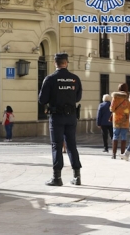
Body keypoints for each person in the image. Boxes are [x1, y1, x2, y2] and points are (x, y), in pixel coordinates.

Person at [38, 53, 82, 186]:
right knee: (71, 145)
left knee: (57, 145)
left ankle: (57, 177)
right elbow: (78, 97)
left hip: (57, 117)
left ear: (54, 63)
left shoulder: (50, 79)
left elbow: (42, 100)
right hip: (71, 117)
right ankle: (77, 176)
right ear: (66, 63)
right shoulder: (75, 79)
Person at [110, 83, 130, 159]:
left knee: (115, 136)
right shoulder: (129, 98)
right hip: (125, 119)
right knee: (124, 136)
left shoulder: (115, 97)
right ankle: (122, 154)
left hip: (117, 119)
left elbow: (112, 108)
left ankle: (113, 154)